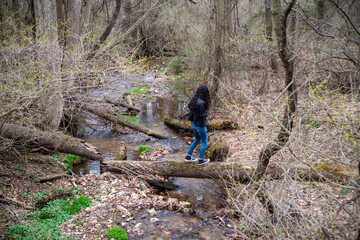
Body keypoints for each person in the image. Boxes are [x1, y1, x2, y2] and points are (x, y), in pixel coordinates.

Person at [184, 85, 211, 166]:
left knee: (197, 139)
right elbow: (202, 114)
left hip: (193, 124)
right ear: (205, 92)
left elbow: (193, 111)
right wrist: (207, 114)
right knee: (204, 141)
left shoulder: (194, 100)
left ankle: (188, 157)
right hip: (200, 125)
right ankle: (200, 160)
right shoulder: (202, 102)